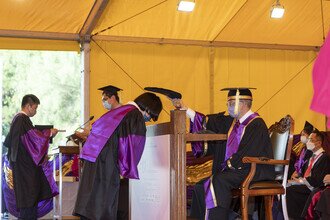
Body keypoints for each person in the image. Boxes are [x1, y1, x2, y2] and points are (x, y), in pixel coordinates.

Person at [172, 88, 275, 219]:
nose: (228, 106)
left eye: (231, 103)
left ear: (242, 104)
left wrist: (229, 164)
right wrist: (185, 109)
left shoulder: (256, 124)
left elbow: (250, 152)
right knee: (200, 185)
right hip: (238, 167)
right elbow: (209, 122)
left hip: (254, 168)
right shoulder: (233, 123)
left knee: (218, 181)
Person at [73, 92, 162, 220]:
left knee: (91, 207)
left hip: (93, 164)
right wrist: (126, 169)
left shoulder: (118, 111)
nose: (148, 119)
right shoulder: (134, 115)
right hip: (107, 166)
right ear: (147, 108)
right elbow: (132, 146)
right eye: (150, 115)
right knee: (103, 208)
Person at [3, 94, 59, 220]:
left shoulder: (17, 120)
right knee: (28, 200)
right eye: (35, 107)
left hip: (21, 166)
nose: (35, 111)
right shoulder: (22, 119)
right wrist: (49, 133)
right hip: (25, 168)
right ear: (28, 106)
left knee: (27, 201)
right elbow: (34, 139)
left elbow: (13, 142)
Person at [286, 130, 330, 219]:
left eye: (311, 139)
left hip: (313, 186)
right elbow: (304, 173)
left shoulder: (325, 157)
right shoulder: (310, 157)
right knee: (286, 186)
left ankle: (293, 217)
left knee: (290, 190)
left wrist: (302, 180)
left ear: (318, 143)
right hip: (305, 184)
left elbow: (319, 179)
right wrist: (298, 176)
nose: (308, 141)